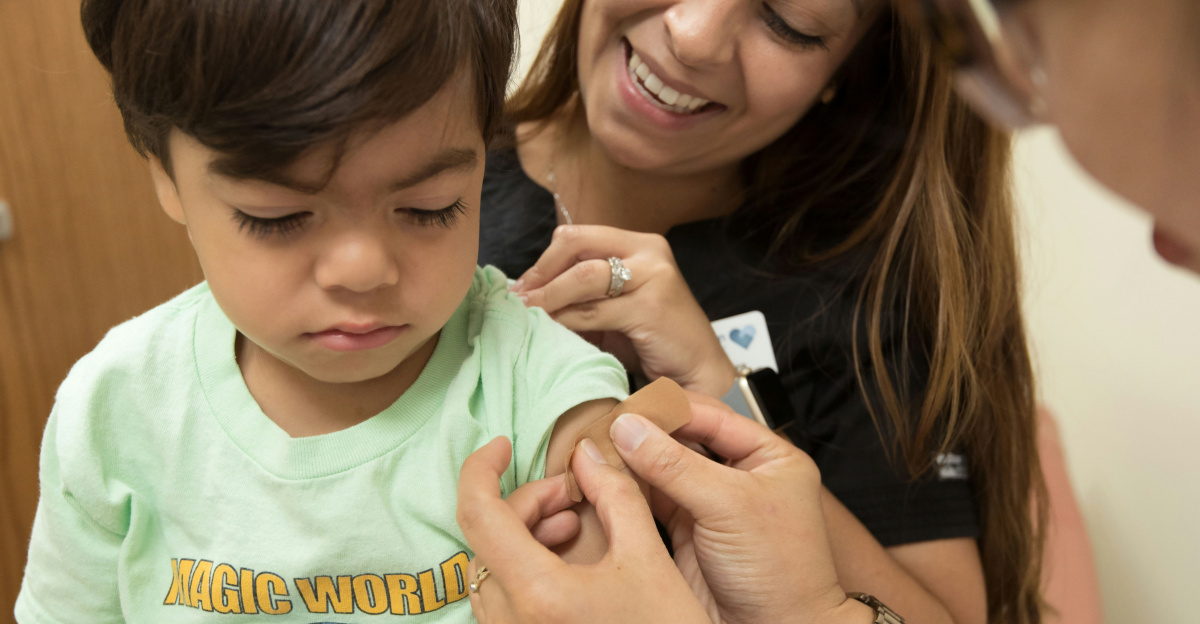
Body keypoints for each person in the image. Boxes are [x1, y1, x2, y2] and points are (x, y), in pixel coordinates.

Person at [459, 0, 1200, 622]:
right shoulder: (422, 169)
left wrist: (727, 391)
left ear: (845, 75)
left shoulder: (866, 301)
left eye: (788, 21)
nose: (691, 34)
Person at [15, 1, 633, 622]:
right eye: (277, 217)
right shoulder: (115, 407)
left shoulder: (541, 390)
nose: (363, 271)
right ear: (167, 179)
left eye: (429, 207)